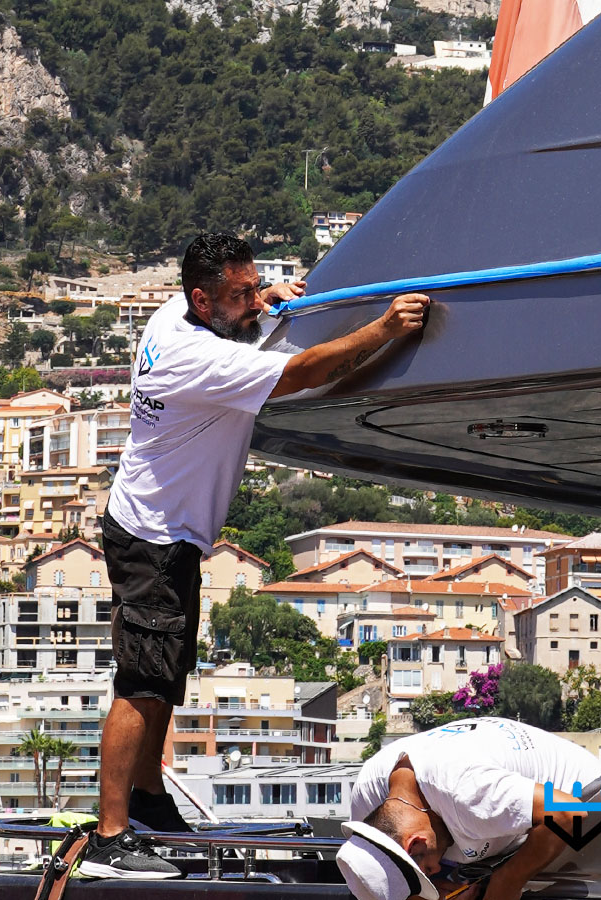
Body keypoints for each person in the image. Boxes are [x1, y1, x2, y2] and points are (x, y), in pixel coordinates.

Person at [79, 232, 430, 879]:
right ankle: (110, 837)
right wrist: (385, 329)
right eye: (241, 295)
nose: (254, 303)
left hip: (165, 530)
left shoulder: (178, 313)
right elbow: (303, 372)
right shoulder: (195, 356)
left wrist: (262, 296)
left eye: (253, 288)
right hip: (151, 536)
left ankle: (149, 799)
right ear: (201, 298)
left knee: (167, 676)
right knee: (141, 683)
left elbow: (241, 316)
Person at [336, 717, 601, 900]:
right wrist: (434, 891)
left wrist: (508, 881)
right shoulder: (369, 799)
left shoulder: (465, 791)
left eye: (428, 871)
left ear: (415, 843)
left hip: (593, 806)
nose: (433, 872)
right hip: (497, 816)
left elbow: (568, 813)